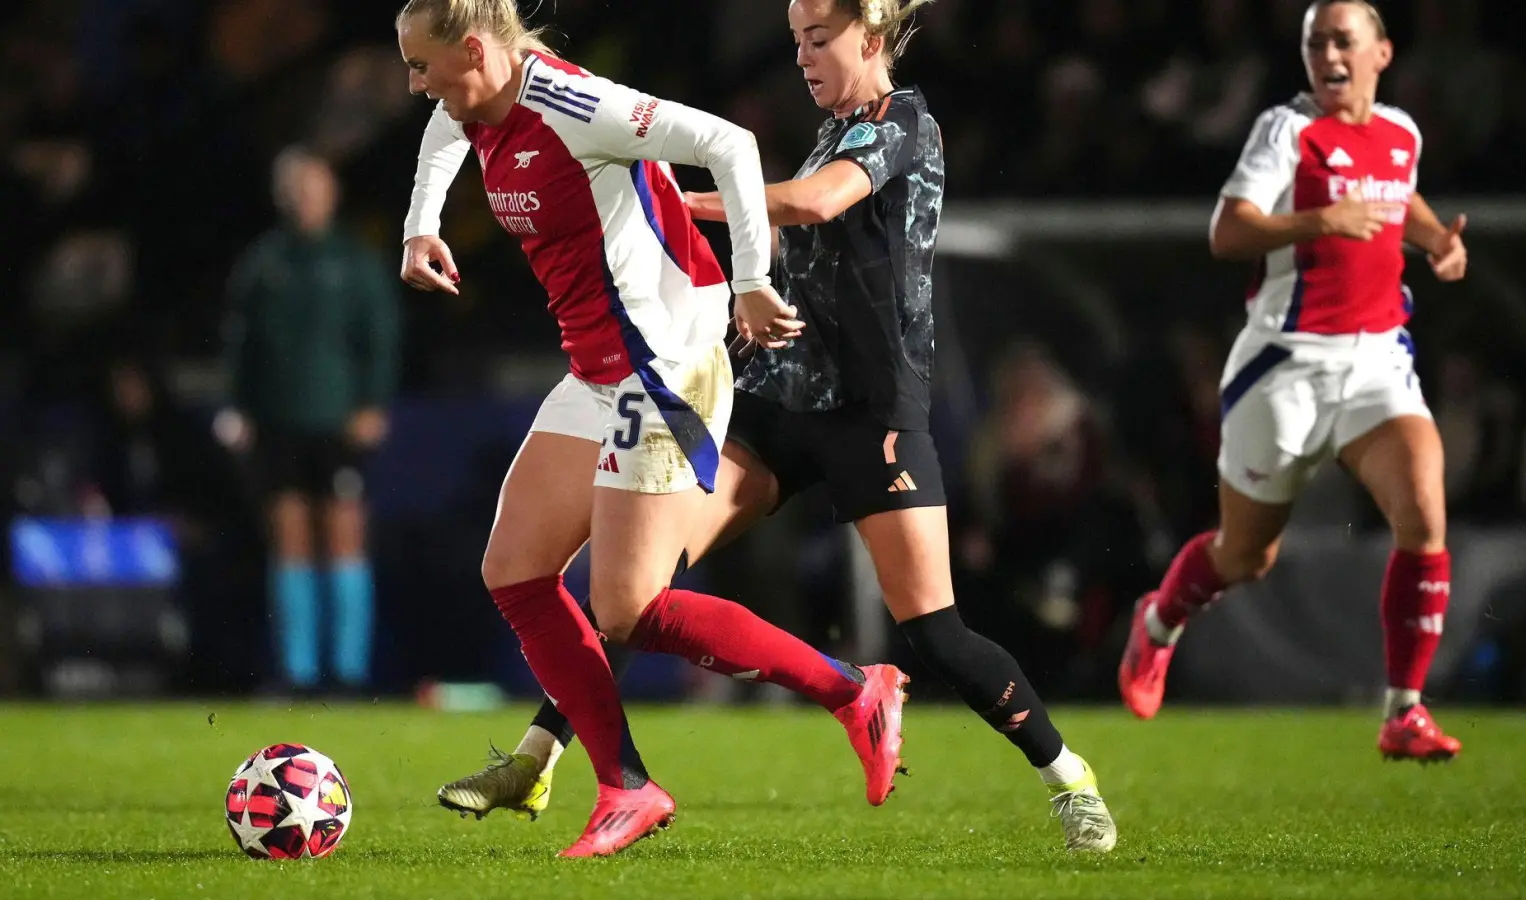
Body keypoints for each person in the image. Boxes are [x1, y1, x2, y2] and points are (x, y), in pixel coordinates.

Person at [435, 0, 1117, 853]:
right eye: (795, 40)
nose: (802, 57)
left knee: (934, 632)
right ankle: (542, 758)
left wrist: (674, 200)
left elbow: (814, 204)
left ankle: (1069, 778)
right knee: (641, 585)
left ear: (871, 39)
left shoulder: (904, 124)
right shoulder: (831, 127)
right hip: (779, 400)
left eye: (818, 39)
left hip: (875, 416)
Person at [394, 0, 910, 858]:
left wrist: (750, 277)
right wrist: (421, 226)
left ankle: (854, 692)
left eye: (420, 66)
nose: (415, 85)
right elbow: (447, 134)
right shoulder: (475, 103)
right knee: (516, 573)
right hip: (598, 371)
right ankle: (626, 786)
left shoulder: (575, 107)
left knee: (629, 607)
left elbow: (730, 146)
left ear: (476, 51)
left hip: (664, 366)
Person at [1117, 0, 1470, 762]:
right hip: (1286, 364)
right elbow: (1228, 230)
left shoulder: (1401, 132)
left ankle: (1403, 711)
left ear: (1382, 53)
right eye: (1316, 43)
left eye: (1344, 41)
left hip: (1378, 360)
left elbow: (1396, 194)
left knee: (1424, 511)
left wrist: (1438, 238)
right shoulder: (1287, 129)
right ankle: (1158, 624)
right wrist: (1317, 222)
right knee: (1248, 557)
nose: (1328, 55)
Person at [219, 147, 402, 695]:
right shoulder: (262, 262)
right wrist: (240, 407)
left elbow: (381, 338)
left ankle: (348, 673)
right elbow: (240, 343)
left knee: (344, 536)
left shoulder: (355, 263)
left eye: (313, 185)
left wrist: (373, 402)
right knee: (290, 540)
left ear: (332, 191)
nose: (304, 197)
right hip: (277, 423)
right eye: (294, 187)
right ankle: (297, 673)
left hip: (339, 423)